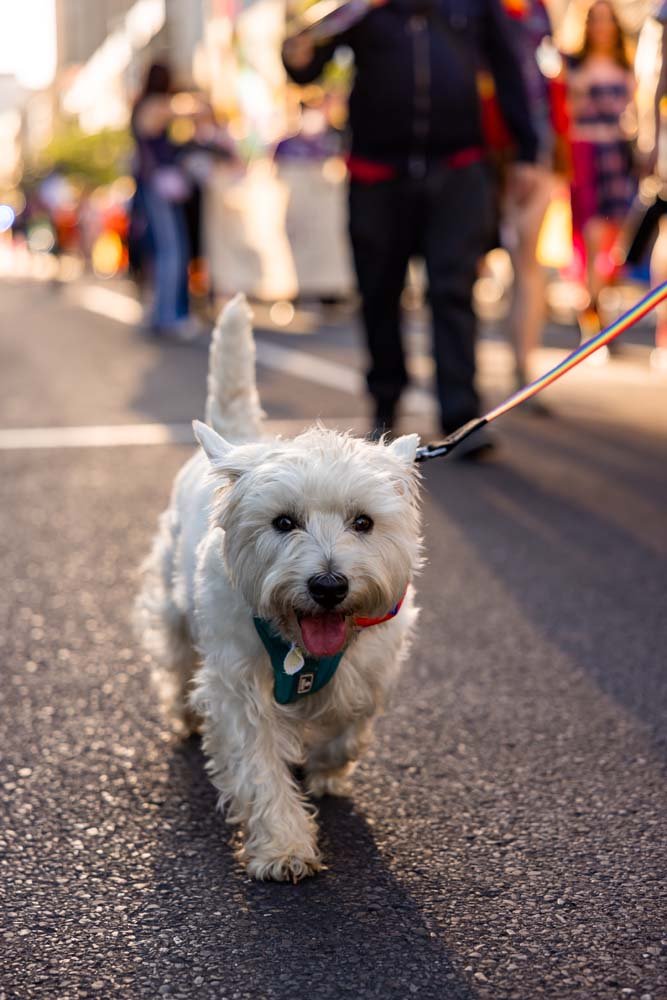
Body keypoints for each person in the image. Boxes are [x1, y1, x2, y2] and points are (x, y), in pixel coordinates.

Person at [283, 0, 538, 457]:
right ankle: (385, 406)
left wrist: (527, 151)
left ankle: (461, 417)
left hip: (458, 168)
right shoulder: (360, 7)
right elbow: (305, 63)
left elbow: (509, 66)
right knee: (379, 291)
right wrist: (302, 42)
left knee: (453, 289)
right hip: (377, 173)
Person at [493, 0, 571, 403]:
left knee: (527, 263)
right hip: (483, 149)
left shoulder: (538, 13)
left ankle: (524, 365)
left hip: (534, 151)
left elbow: (548, 76)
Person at [566, 0, 636, 337]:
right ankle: (592, 321)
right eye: (596, 20)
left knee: (616, 240)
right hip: (585, 155)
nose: (602, 28)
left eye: (607, 21)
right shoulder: (573, 66)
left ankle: (600, 307)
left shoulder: (625, 65)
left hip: (617, 155)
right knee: (592, 236)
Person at [131, 63, 198, 339]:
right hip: (157, 185)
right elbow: (190, 109)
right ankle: (168, 316)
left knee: (165, 250)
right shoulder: (154, 105)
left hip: (152, 186)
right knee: (171, 250)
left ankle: (164, 312)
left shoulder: (143, 104)